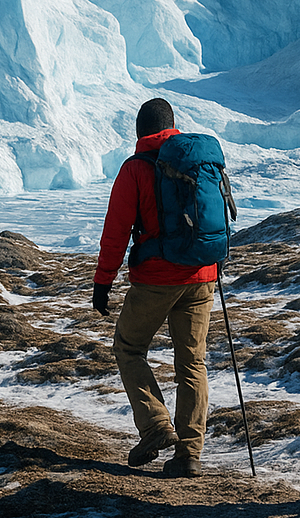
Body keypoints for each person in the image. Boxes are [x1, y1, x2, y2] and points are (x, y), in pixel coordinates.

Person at [92, 97, 216, 478]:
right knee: (192, 362)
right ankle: (189, 454)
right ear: (173, 125)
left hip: (157, 278)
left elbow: (116, 232)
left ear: (139, 132)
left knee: (129, 348)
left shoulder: (136, 168)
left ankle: (156, 426)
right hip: (202, 275)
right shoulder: (200, 160)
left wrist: (103, 282)